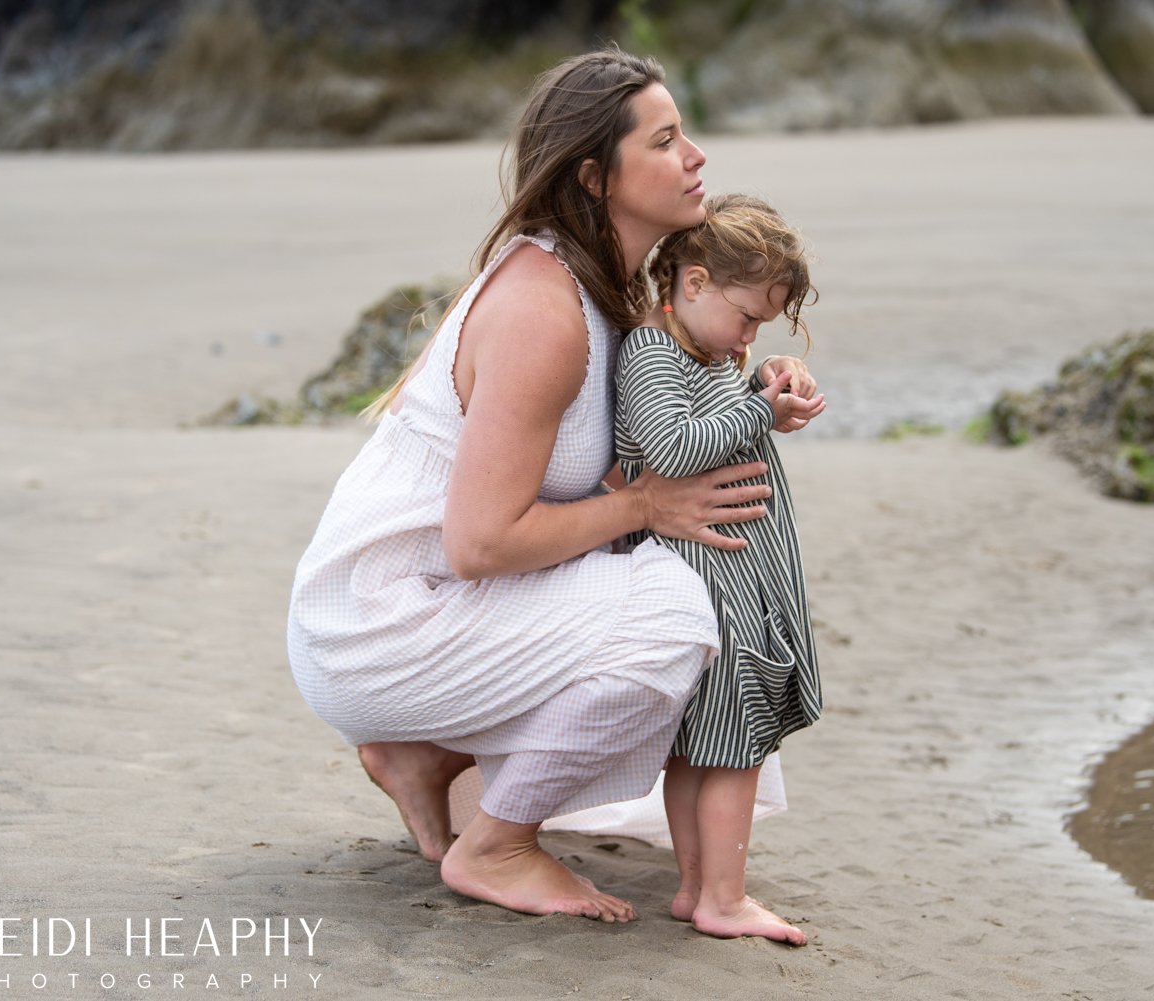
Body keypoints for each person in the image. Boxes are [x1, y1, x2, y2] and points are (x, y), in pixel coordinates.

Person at [285, 47, 824, 924]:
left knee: (696, 627)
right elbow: (481, 542)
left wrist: (766, 387)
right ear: (593, 174)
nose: (696, 157)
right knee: (674, 617)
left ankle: (421, 756)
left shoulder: (602, 286)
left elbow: (672, 398)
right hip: (383, 615)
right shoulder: (543, 307)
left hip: (430, 601)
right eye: (666, 140)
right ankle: (497, 845)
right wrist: (647, 505)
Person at [613, 193, 826, 945]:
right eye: (749, 317)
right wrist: (758, 411)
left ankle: (700, 885)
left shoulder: (711, 352)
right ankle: (723, 898)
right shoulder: (651, 353)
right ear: (694, 284)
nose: (751, 333)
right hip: (704, 578)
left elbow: (723, 415)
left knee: (706, 738)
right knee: (731, 734)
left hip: (734, 568)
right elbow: (672, 449)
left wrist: (769, 377)